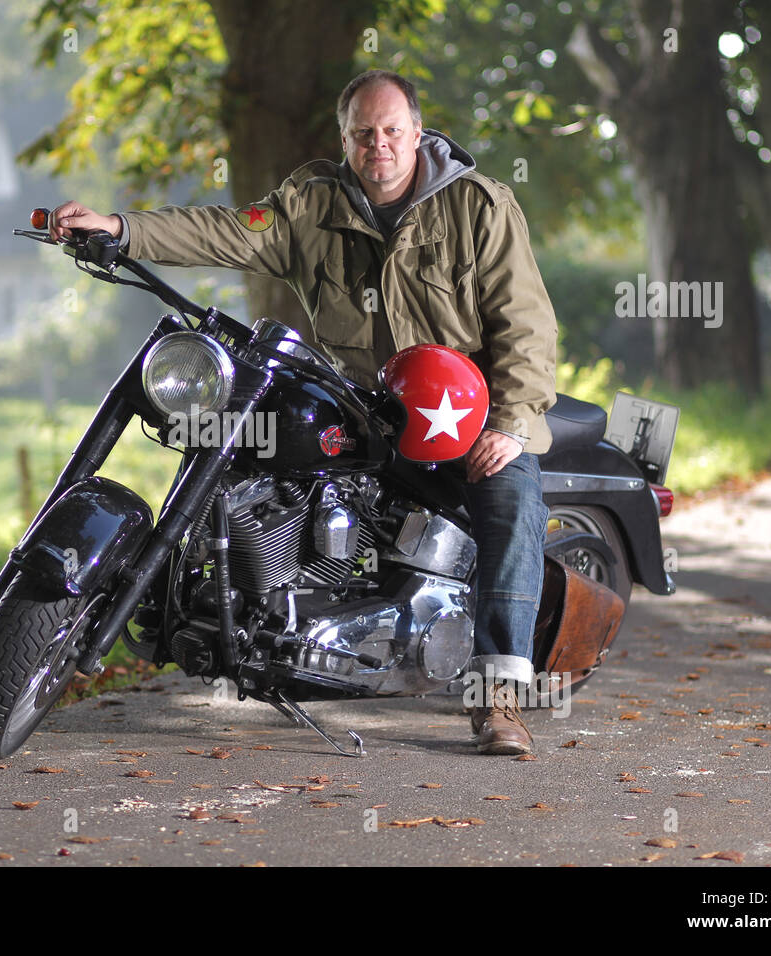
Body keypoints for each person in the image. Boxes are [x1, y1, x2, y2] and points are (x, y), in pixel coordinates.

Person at [49, 69, 556, 755]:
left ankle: (498, 701)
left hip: (464, 414)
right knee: (256, 452)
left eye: (391, 131)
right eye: (363, 134)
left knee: (510, 504)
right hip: (365, 404)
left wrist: (511, 421)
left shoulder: (479, 206)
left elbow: (525, 324)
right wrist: (118, 228)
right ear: (346, 138)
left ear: (417, 132)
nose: (379, 145)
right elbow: (223, 232)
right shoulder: (310, 205)